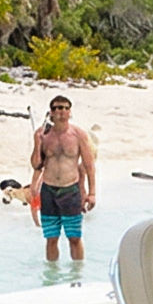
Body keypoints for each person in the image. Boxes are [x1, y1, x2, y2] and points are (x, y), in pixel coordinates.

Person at [28, 94, 95, 265]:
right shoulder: (44, 135)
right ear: (51, 112)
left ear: (70, 112)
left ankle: (77, 276)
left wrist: (91, 192)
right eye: (57, 108)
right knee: (51, 238)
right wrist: (37, 142)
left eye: (65, 108)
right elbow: (37, 165)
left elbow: (89, 165)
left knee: (74, 237)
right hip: (49, 191)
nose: (61, 111)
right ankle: (52, 277)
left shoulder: (78, 134)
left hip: (70, 191)